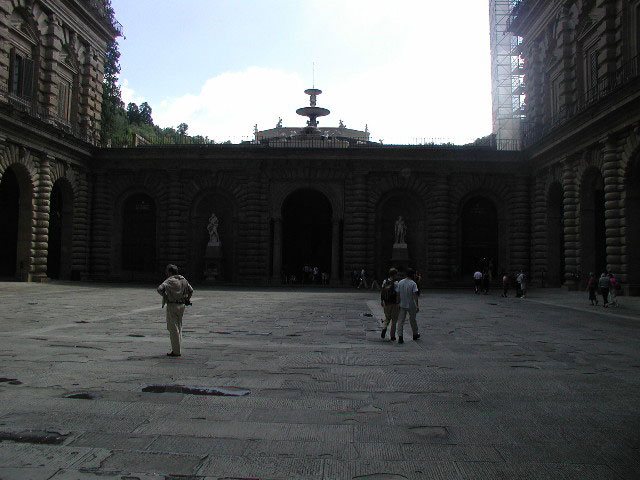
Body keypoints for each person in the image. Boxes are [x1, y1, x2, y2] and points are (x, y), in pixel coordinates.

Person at [157, 264, 193, 357]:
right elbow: (191, 290)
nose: (166, 273)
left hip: (172, 304)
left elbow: (159, 289)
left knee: (173, 328)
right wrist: (187, 299)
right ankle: (177, 348)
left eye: (167, 271)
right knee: (179, 327)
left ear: (170, 272)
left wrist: (165, 295)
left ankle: (176, 351)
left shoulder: (169, 280)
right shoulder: (183, 279)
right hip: (182, 305)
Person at [396, 268, 420, 344]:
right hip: (411, 304)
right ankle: (415, 334)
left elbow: (398, 293)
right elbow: (415, 295)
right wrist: (417, 305)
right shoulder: (413, 283)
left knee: (400, 320)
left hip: (402, 303)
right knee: (413, 320)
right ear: (412, 275)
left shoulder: (400, 282)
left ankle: (400, 336)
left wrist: (398, 302)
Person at [380, 268, 399, 341]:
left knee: (387, 318)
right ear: (394, 275)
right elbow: (397, 293)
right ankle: (392, 336)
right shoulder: (396, 283)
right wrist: (398, 302)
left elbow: (382, 291)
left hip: (386, 302)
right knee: (394, 320)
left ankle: (384, 327)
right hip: (394, 303)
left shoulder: (385, 281)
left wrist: (382, 301)